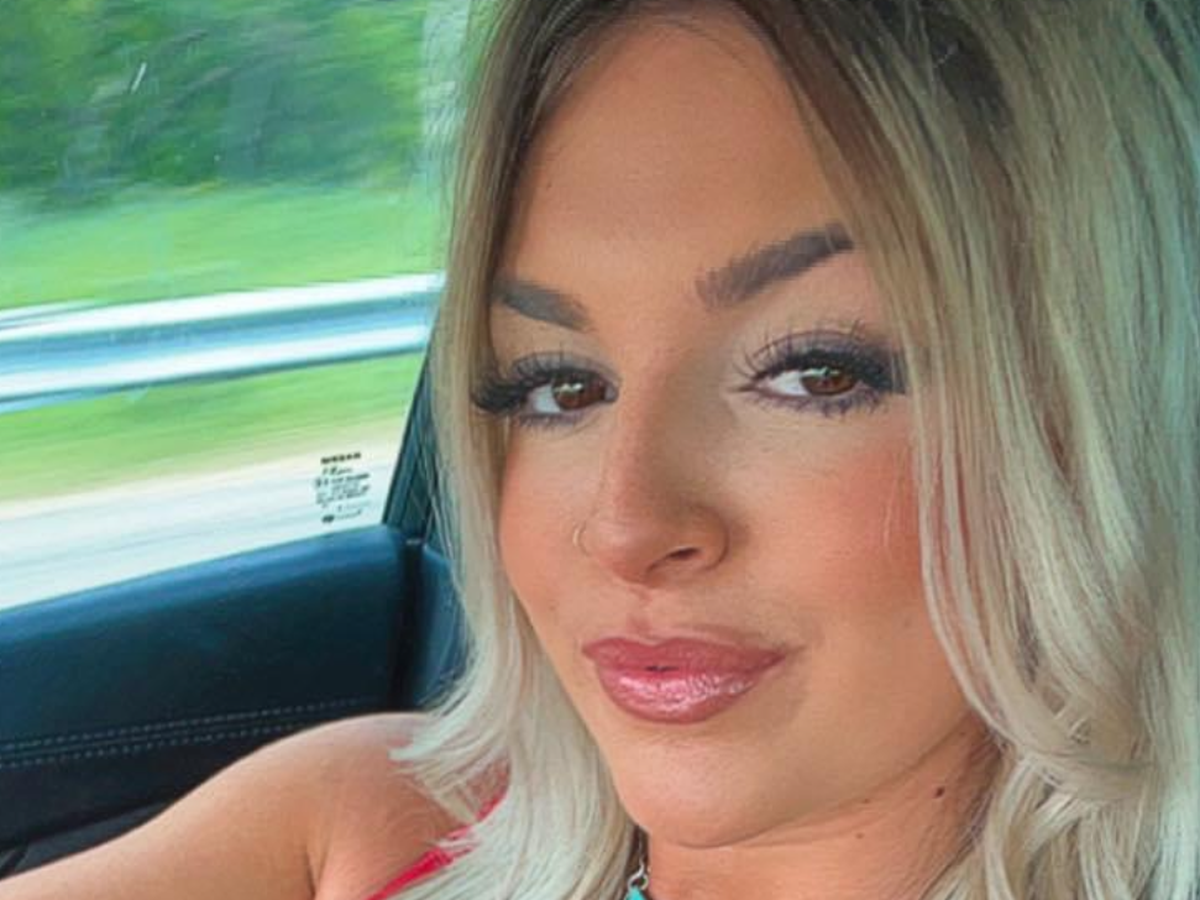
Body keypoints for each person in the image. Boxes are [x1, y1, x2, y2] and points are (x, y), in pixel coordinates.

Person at [4, 0, 1198, 898]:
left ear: (1096, 425)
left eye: (816, 371)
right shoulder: (367, 824)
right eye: (557, 385)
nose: (624, 525)